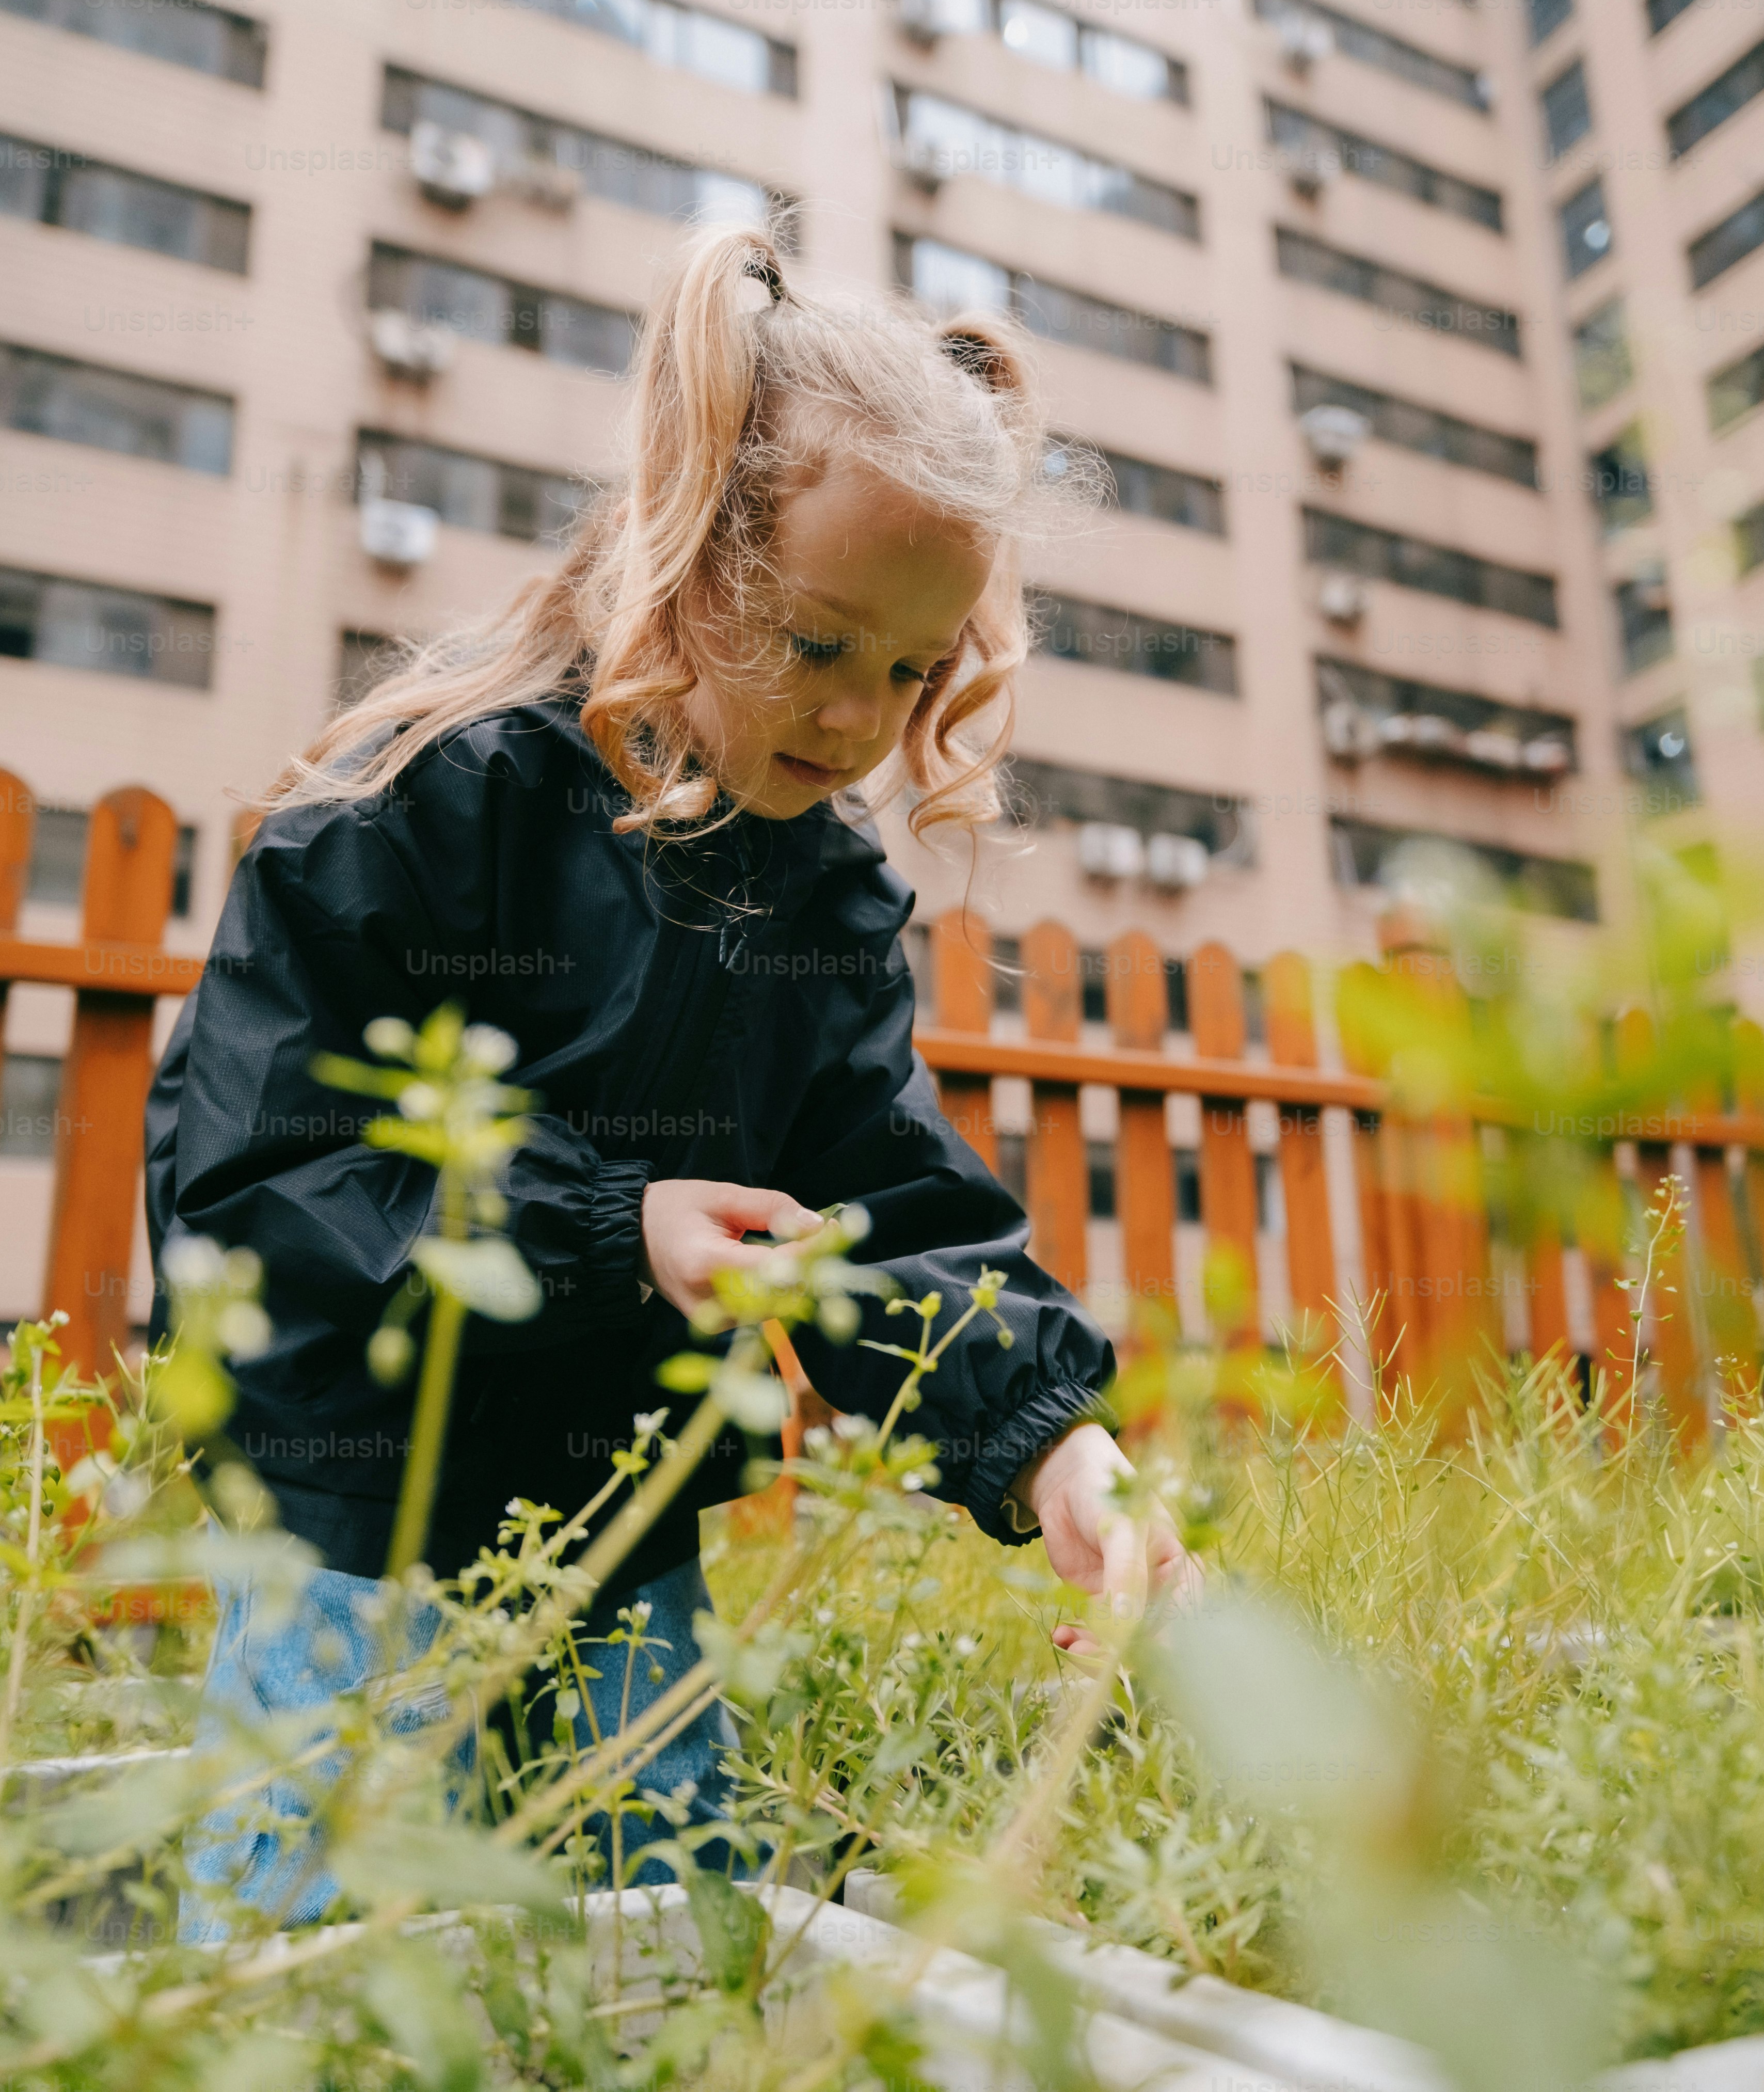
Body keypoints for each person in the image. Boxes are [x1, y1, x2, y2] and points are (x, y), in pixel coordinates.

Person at [150, 220, 1197, 1937]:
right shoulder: (429, 804)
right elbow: (264, 1172)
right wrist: (610, 1227)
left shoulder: (823, 894)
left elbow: (891, 1206)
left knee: (654, 1942)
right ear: (691, 553)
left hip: (621, 1520)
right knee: (324, 1954)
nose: (864, 718)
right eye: (818, 643)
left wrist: (1045, 1443)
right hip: (361, 1524)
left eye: (914, 671)